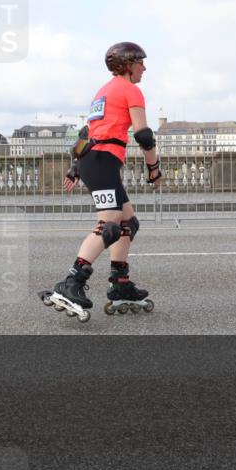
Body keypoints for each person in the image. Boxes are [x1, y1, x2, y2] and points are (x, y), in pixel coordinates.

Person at [47, 41, 162, 316]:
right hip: (102, 160)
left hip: (93, 159)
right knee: (108, 225)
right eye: (140, 62)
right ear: (127, 64)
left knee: (127, 222)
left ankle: (120, 283)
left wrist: (76, 166)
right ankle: (71, 282)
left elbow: (87, 131)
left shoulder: (103, 90)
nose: (144, 67)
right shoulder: (131, 89)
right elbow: (143, 135)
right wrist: (154, 168)